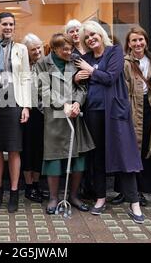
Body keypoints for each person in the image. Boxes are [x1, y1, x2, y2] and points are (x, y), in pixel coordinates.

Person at [75, 20, 145, 224]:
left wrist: (91, 71)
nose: (90, 38)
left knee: (124, 155)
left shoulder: (114, 52)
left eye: (92, 34)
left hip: (115, 112)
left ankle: (134, 203)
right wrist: (78, 78)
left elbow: (111, 77)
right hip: (93, 112)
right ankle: (100, 198)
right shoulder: (84, 57)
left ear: (100, 34)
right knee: (97, 157)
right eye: (86, 36)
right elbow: (83, 80)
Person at [35, 33, 95, 214]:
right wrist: (64, 105)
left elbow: (82, 87)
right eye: (65, 50)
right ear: (54, 49)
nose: (69, 52)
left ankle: (74, 196)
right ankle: (53, 198)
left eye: (71, 49)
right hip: (54, 116)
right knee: (54, 158)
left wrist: (77, 103)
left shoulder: (74, 62)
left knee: (78, 158)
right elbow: (43, 90)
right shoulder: (43, 64)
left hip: (75, 117)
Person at [0, 12, 32, 213]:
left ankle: (13, 193)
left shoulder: (21, 49)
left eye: (11, 24)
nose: (8, 27)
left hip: (14, 102)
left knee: (13, 149)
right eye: (4, 24)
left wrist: (26, 106)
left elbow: (26, 77)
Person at [112, 27, 151, 207]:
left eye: (140, 39)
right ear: (128, 44)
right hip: (131, 109)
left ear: (146, 41)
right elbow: (121, 89)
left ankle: (139, 191)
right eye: (133, 40)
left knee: (145, 150)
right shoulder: (124, 62)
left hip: (150, 109)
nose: (138, 43)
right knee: (126, 150)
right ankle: (123, 191)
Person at [21, 33, 46, 203]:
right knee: (27, 149)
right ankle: (29, 187)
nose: (37, 51)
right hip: (26, 112)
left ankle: (36, 184)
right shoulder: (22, 67)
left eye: (39, 47)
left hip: (43, 113)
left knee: (40, 149)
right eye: (33, 49)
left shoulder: (46, 65)